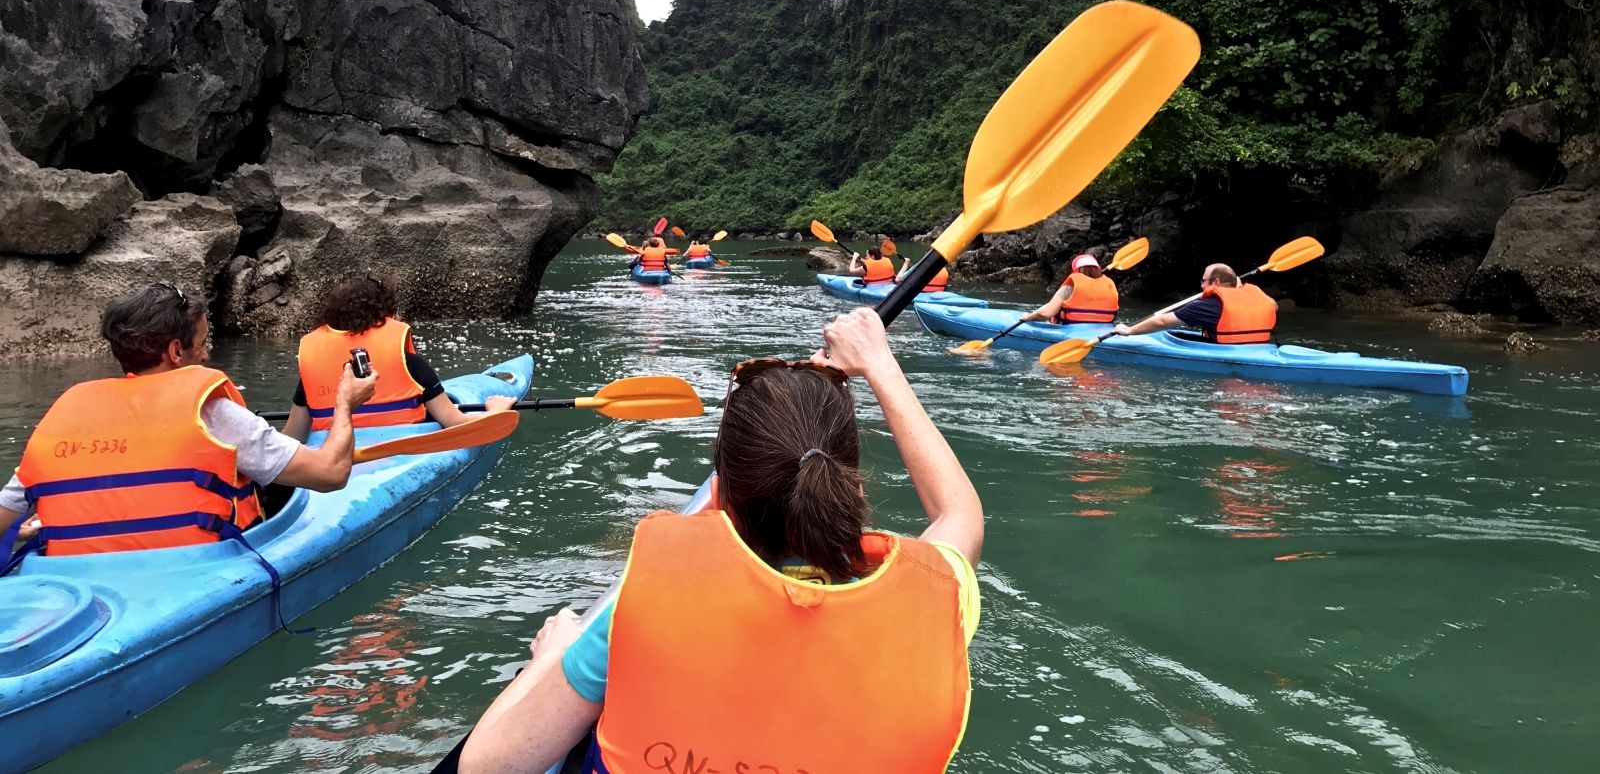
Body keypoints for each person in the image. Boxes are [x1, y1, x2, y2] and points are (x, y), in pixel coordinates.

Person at [456, 308, 984, 773]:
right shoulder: (938, 597)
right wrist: (880, 365)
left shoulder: (648, 602)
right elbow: (959, 512)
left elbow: (487, 767)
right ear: (853, 482)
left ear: (724, 489)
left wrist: (556, 655)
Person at [0, 282, 377, 558]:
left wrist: (29, 531)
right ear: (176, 351)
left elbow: (6, 515)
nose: (208, 352)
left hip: (75, 578)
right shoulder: (212, 412)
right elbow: (329, 473)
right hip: (192, 572)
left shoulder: (68, 416)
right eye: (203, 342)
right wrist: (345, 403)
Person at [283, 276, 516, 440]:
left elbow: (292, 437)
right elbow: (454, 422)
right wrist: (496, 411)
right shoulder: (411, 364)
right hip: (401, 447)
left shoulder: (313, 369)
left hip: (334, 454)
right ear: (384, 317)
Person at [1113, 263, 1277, 343]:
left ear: (1217, 283)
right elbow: (1273, 306)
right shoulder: (1256, 294)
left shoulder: (1207, 305)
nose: (1201, 285)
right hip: (1260, 348)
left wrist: (1129, 331)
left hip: (1229, 352)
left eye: (1204, 281)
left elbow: (1162, 321)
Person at [1023, 253, 1119, 325]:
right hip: (1102, 331)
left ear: (1075, 270)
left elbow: (1046, 314)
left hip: (1070, 330)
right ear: (1098, 269)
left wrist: (1029, 317)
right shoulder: (1110, 286)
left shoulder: (1070, 288)